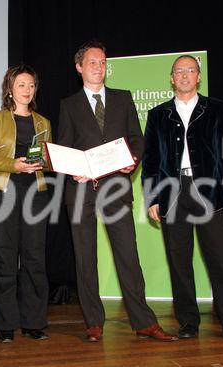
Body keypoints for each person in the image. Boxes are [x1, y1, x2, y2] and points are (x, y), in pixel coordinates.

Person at [57, 41, 177, 342]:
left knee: (128, 257)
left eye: (103, 62)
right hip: (81, 190)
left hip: (116, 188)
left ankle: (144, 322)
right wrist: (73, 169)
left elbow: (137, 140)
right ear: (79, 67)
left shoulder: (123, 99)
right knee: (85, 261)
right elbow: (65, 147)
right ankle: (94, 322)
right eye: (93, 62)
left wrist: (132, 162)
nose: (99, 67)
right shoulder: (68, 105)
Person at [142, 55, 223, 341]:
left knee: (220, 260)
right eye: (179, 71)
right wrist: (153, 198)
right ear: (171, 78)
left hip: (210, 193)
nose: (185, 75)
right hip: (172, 193)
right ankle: (188, 322)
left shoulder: (216, 109)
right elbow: (150, 161)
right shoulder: (158, 114)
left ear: (198, 76)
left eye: (190, 70)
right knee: (179, 261)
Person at [0, 65, 51, 343]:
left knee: (35, 258)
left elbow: (48, 157)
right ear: (9, 89)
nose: (27, 90)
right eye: (21, 85)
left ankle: (34, 322)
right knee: (4, 258)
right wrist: (14, 164)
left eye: (31, 85)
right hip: (3, 192)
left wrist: (45, 161)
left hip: (36, 193)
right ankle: (5, 324)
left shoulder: (43, 122)